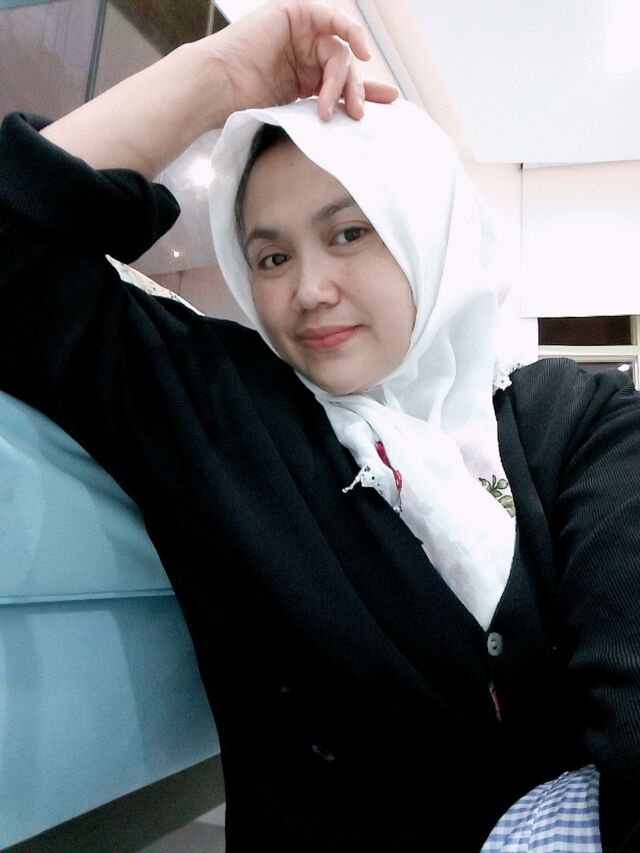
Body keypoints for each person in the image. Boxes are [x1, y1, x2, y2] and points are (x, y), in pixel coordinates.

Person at [0, 1, 638, 850]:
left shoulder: (576, 421)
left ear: (428, 232)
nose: (307, 291)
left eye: (349, 232)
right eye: (271, 256)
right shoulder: (222, 409)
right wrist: (220, 75)